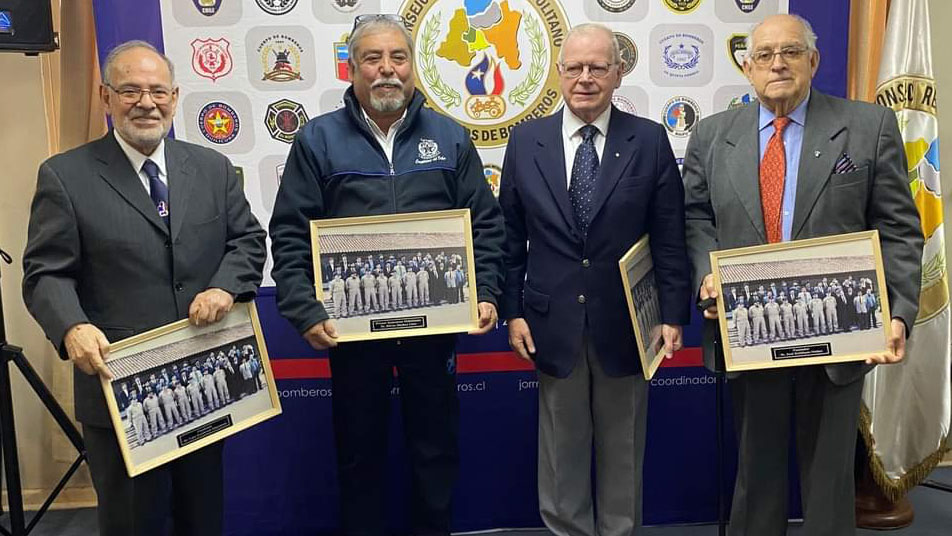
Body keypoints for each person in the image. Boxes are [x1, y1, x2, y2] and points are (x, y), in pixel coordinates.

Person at [683, 14, 922, 534]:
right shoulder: (711, 135)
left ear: (814, 61)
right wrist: (707, 271)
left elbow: (900, 231)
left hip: (840, 336)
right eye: (764, 55)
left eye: (790, 52)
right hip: (751, 330)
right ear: (747, 68)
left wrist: (899, 313)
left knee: (828, 480)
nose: (777, 64)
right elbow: (695, 216)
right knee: (757, 475)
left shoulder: (868, 127)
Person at [268, 14, 504, 536]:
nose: (386, 70)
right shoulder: (317, 140)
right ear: (351, 69)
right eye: (372, 59)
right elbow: (289, 234)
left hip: (433, 329)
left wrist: (485, 291)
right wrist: (304, 310)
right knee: (358, 454)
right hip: (352, 336)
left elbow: (485, 226)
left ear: (413, 68)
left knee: (436, 453)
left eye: (398, 58)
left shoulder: (449, 137)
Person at [21, 40, 265, 536]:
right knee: (136, 523)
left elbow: (247, 241)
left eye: (157, 91)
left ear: (175, 97)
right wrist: (72, 327)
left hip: (204, 379)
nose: (146, 102)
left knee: (202, 518)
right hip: (121, 390)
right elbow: (46, 272)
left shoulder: (213, 168)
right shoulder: (66, 176)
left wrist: (224, 286)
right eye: (130, 90)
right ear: (105, 96)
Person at [499, 23, 690, 536]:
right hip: (549, 321)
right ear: (559, 73)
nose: (585, 78)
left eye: (597, 67)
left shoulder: (648, 140)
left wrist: (673, 314)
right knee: (561, 450)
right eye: (575, 68)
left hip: (628, 323)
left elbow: (670, 236)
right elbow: (509, 237)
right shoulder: (525, 141)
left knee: (624, 445)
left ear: (617, 73)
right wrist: (512, 311)